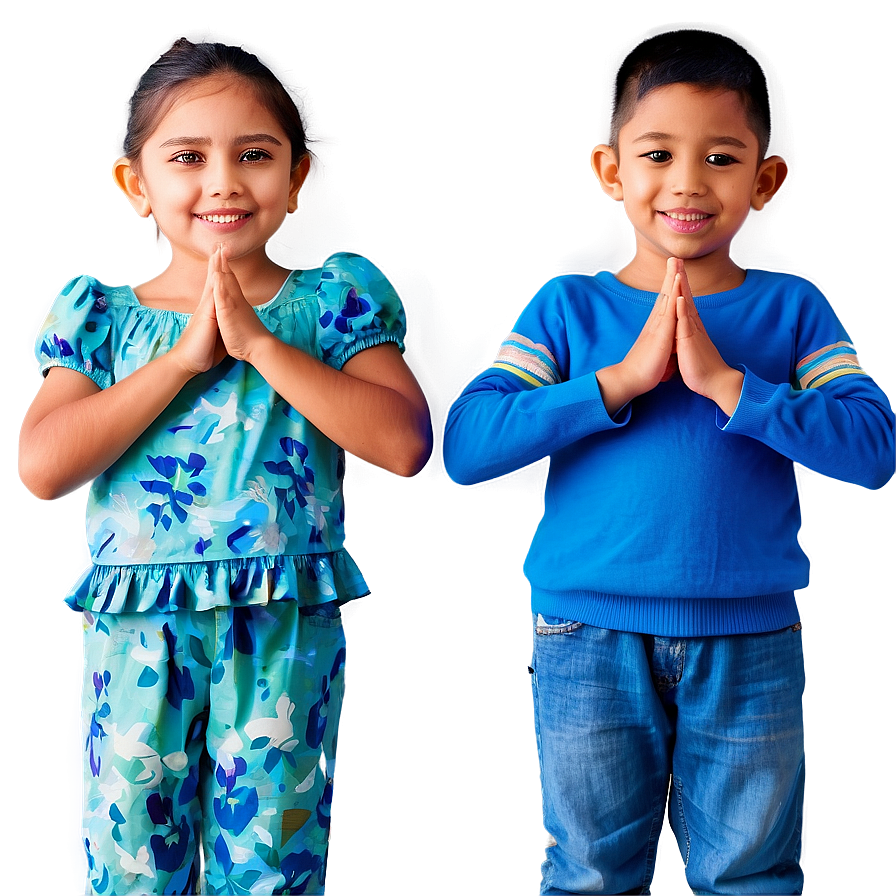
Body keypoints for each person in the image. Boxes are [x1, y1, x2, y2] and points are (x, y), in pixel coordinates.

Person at [443, 28, 894, 895]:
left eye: (721, 158)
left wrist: (731, 386)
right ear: (613, 171)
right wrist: (617, 382)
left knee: (754, 874)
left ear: (764, 180)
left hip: (752, 636)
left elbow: (875, 450)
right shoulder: (567, 308)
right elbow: (469, 444)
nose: (688, 183)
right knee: (588, 874)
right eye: (658, 154)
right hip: (585, 635)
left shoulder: (791, 311)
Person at [18, 37, 431, 895]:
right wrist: (181, 360)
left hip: (282, 625)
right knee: (132, 859)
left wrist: (256, 343)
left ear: (297, 174)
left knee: (273, 867)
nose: (224, 182)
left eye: (254, 155)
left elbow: (401, 443)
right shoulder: (106, 316)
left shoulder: (329, 302)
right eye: (187, 157)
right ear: (137, 183)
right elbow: (42, 465)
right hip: (140, 627)